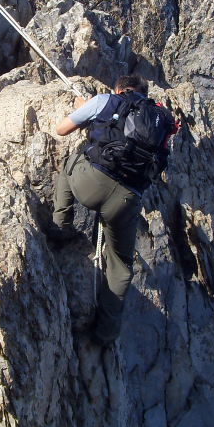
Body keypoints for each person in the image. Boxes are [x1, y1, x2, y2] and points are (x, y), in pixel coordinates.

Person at [52, 75, 176, 345]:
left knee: (71, 160)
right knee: (120, 266)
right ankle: (106, 334)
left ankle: (61, 225)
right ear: (144, 93)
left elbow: (62, 130)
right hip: (127, 199)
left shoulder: (106, 100)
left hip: (91, 183)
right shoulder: (159, 121)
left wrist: (83, 108)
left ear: (120, 88)